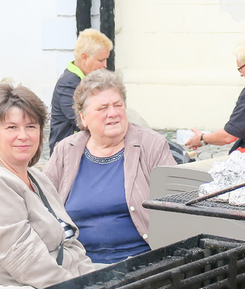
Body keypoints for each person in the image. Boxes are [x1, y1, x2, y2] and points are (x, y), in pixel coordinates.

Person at [0, 82, 95, 289]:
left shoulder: (35, 177)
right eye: (11, 127)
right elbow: (26, 261)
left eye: (31, 126)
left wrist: (98, 282)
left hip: (61, 287)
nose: (23, 135)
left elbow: (69, 242)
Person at [44, 70, 175, 264]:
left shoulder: (152, 145)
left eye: (117, 105)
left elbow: (175, 207)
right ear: (84, 118)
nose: (112, 113)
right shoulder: (66, 150)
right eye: (102, 108)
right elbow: (42, 205)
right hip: (79, 266)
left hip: (140, 264)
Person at [49, 28, 113, 152]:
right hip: (67, 153)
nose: (105, 65)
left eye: (106, 59)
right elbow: (82, 121)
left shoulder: (87, 80)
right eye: (101, 60)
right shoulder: (68, 84)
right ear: (84, 57)